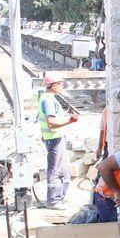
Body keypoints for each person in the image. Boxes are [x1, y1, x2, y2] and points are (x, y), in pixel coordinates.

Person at [39, 73, 78, 208]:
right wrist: (70, 121)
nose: (61, 86)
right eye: (60, 84)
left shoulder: (47, 98)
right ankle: (54, 201)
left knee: (63, 170)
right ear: (54, 85)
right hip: (54, 138)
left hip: (55, 137)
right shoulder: (48, 100)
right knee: (55, 170)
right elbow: (51, 122)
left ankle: (59, 197)